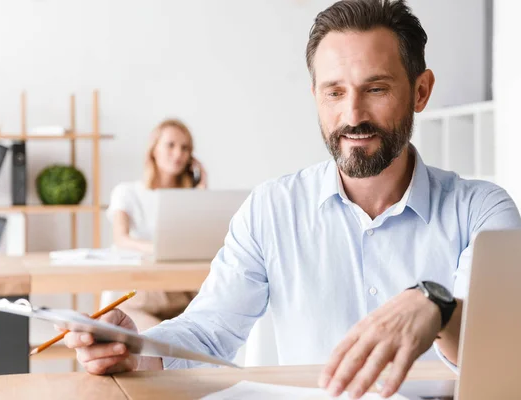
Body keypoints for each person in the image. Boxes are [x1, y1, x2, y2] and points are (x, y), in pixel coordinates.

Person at [64, 1, 521, 398]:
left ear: (420, 92)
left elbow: (500, 351)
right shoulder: (271, 209)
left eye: (376, 89)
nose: (353, 115)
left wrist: (435, 306)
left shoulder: (483, 211)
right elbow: (210, 329)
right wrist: (137, 351)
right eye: (334, 92)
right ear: (316, 97)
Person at [101, 118, 207, 332]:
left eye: (185, 148)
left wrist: (202, 190)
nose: (178, 154)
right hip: (140, 295)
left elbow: (200, 243)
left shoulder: (189, 198)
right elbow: (121, 239)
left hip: (181, 294)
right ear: (153, 150)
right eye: (171, 145)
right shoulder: (127, 192)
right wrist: (160, 249)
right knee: (164, 341)